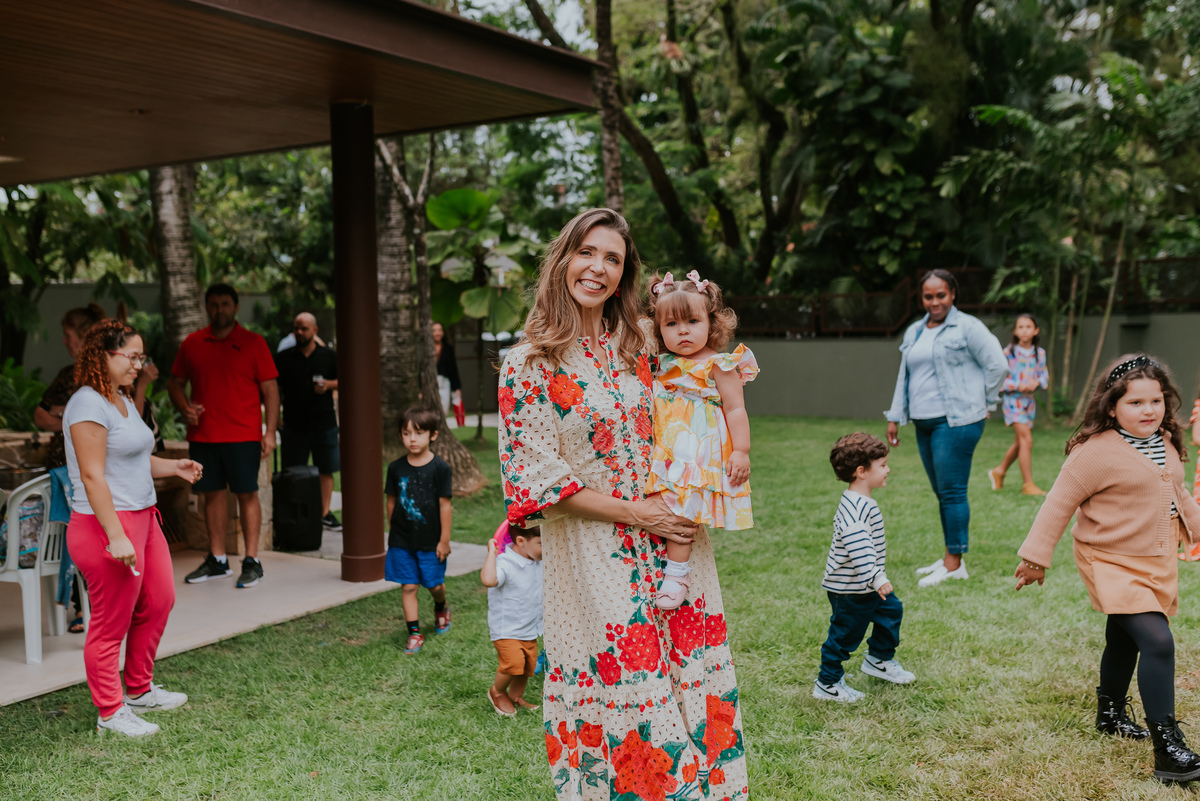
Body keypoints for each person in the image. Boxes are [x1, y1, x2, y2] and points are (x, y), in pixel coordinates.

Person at [498, 207, 749, 799]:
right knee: (636, 699)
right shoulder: (527, 364)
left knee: (692, 685)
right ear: (563, 258)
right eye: (587, 252)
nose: (598, 268)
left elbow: (710, 392)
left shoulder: (642, 343)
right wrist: (638, 513)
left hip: (677, 546)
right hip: (594, 557)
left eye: (613, 258)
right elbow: (537, 483)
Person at [1015, 354, 1200, 783]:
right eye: (1136, 403)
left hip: (1154, 561)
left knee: (1124, 638)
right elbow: (1058, 505)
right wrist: (1035, 559)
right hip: (1108, 558)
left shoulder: (1166, 442)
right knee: (1157, 640)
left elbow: (1179, 496)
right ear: (1112, 405)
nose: (1149, 410)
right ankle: (1168, 751)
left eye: (1156, 400)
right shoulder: (1094, 452)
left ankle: (1111, 712)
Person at [63, 319, 203, 737]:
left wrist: (173, 466)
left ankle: (138, 689)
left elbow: (134, 459)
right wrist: (116, 535)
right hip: (106, 524)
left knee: (159, 601)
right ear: (103, 355)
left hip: (144, 517)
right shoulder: (87, 403)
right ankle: (110, 711)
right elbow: (92, 476)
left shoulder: (121, 399)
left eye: (142, 357)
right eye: (132, 356)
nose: (139, 366)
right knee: (111, 623)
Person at [884, 269, 1007, 588]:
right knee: (943, 492)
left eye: (941, 295)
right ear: (922, 297)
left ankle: (954, 564)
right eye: (928, 296)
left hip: (957, 422)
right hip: (924, 423)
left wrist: (985, 401)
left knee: (952, 492)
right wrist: (895, 414)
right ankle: (950, 557)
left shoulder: (968, 327)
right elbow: (904, 375)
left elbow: (998, 365)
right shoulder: (914, 331)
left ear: (953, 294)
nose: (935, 301)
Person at [645, 269, 757, 609]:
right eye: (671, 324)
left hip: (697, 451)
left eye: (692, 321)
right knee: (659, 503)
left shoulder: (719, 364)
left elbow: (736, 408)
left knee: (684, 507)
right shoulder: (659, 363)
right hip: (664, 446)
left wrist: (741, 450)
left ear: (711, 322)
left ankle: (678, 573)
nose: (682, 331)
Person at [168, 283, 279, 589]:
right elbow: (174, 383)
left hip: (243, 436)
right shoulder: (192, 343)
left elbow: (271, 390)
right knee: (211, 495)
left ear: (235, 307)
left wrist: (269, 432)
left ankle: (252, 561)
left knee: (247, 494)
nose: (220, 309)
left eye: (225, 304)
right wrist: (184, 407)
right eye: (214, 304)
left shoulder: (254, 343)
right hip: (203, 436)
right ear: (207, 307)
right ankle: (217, 560)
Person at [815, 433, 914, 703]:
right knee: (845, 635)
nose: (888, 469)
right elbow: (859, 547)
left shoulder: (861, 502)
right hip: (850, 589)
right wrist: (876, 577)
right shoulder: (854, 508)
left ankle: (878, 660)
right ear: (861, 472)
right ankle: (828, 682)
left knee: (891, 610)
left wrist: (874, 579)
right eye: (882, 464)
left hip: (866, 584)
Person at [34, 303, 107, 632]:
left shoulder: (105, 378)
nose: (65, 341)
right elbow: (40, 416)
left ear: (85, 337)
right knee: (75, 540)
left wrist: (65, 416)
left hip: (94, 470)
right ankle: (81, 608)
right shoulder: (68, 376)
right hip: (63, 474)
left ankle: (99, 607)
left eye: (68, 336)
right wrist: (70, 418)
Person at [385, 407, 453, 656]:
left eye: (419, 433)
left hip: (431, 540)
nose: (412, 439)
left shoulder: (440, 469)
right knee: (408, 586)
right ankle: (414, 632)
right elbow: (391, 501)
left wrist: (444, 540)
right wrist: (394, 532)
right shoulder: (395, 468)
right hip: (402, 540)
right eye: (406, 433)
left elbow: (445, 506)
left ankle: (441, 607)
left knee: (434, 585)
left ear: (433, 435)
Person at [274, 312, 341, 530]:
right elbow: (275, 389)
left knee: (325, 469)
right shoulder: (284, 358)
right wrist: (277, 420)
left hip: (324, 423)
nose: (299, 332)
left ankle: (323, 514)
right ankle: (296, 514)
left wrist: (328, 386)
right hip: (294, 425)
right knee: (293, 471)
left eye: (304, 328)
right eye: (296, 328)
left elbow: (344, 381)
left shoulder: (329, 356)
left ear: (315, 330)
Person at [480, 523, 543, 717]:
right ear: (521, 541)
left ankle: (516, 697)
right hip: (507, 629)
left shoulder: (537, 561)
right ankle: (497, 692)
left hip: (529, 627)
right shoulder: (506, 562)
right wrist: (492, 553)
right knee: (513, 664)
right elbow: (489, 580)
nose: (547, 549)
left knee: (526, 667)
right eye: (541, 543)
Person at [988, 314, 1049, 496]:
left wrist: (1036, 383)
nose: (1024, 330)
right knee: (1027, 440)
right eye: (1020, 327)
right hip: (1012, 402)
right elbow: (998, 381)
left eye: (1028, 327)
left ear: (1036, 330)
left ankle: (998, 472)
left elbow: (1044, 376)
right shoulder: (1007, 353)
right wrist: (1018, 385)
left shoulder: (1040, 354)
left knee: (1020, 443)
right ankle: (1028, 485)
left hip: (1029, 403)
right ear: (1015, 331)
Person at [432, 321, 462, 420]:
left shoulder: (448, 349)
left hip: (444, 382)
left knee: (444, 408)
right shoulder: (428, 348)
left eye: (439, 330)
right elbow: (422, 369)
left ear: (443, 333)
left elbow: (453, 369)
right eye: (434, 330)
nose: (437, 333)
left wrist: (456, 387)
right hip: (431, 381)